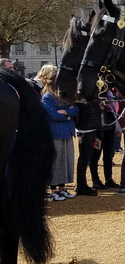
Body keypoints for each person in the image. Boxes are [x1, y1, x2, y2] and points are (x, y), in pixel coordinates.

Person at [39, 64, 78, 200]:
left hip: (67, 132)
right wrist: (68, 114)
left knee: (66, 161)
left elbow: (75, 109)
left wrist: (66, 112)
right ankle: (54, 190)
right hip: (55, 133)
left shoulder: (62, 96)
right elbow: (53, 115)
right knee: (56, 162)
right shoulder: (47, 98)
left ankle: (63, 188)